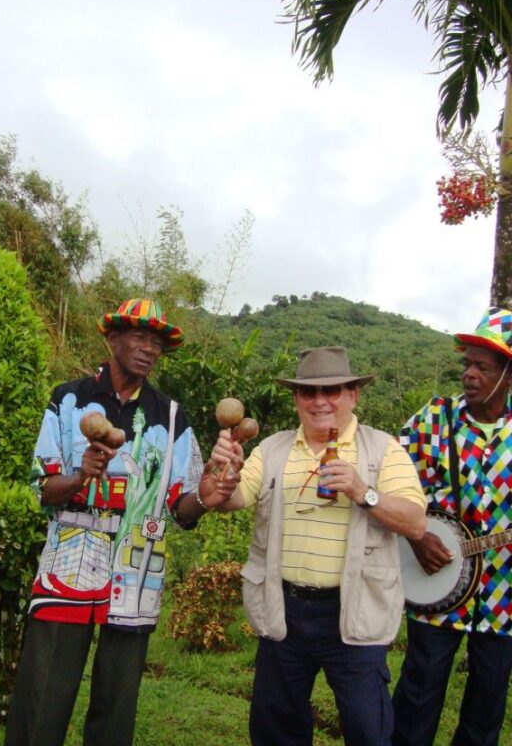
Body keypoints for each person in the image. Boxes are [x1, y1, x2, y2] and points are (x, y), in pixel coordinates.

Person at [4, 298, 229, 746]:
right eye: (140, 337)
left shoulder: (171, 417)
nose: (149, 349)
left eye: (157, 343)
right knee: (43, 694)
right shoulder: (69, 401)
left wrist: (205, 498)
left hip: (136, 571)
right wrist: (80, 474)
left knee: (117, 701)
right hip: (68, 563)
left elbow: (178, 508)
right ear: (112, 339)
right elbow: (40, 489)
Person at [208, 346, 426, 746]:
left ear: (353, 395)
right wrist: (222, 473)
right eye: (308, 392)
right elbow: (228, 500)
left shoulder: (383, 450)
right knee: (276, 729)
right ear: (296, 399)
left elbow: (414, 521)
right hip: (283, 611)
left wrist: (364, 491)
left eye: (333, 390)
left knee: (369, 730)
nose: (320, 401)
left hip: (355, 612)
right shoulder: (271, 449)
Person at [392, 307, 512, 746]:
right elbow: (392, 480)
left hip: (503, 596)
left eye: (484, 366)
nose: (470, 374)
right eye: (468, 364)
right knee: (416, 698)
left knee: (486, 706)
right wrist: (415, 534)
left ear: (508, 374)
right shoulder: (434, 420)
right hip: (435, 581)